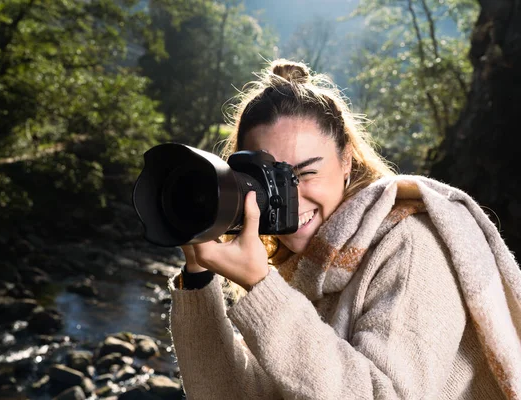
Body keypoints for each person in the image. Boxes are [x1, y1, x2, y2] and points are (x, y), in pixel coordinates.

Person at [166, 59, 521, 399]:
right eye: (270, 181)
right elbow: (231, 395)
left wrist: (262, 287)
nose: (292, 198)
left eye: (306, 173)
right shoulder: (302, 267)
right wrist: (198, 275)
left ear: (347, 160)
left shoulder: (410, 245)